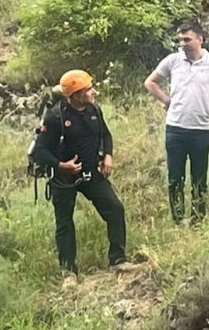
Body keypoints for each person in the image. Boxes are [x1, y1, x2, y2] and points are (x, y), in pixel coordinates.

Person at [33, 69, 139, 286]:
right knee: (65, 222)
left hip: (91, 173)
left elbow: (106, 135)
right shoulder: (55, 117)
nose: (94, 92)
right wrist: (61, 165)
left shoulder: (94, 109)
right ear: (75, 95)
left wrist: (108, 155)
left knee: (115, 209)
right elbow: (39, 151)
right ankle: (69, 272)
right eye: (89, 89)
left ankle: (118, 261)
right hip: (63, 178)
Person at [144, 21, 209, 224]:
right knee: (175, 176)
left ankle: (198, 218)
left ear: (200, 40)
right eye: (180, 40)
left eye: (187, 39)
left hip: (200, 129)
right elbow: (150, 82)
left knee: (199, 177)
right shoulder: (173, 60)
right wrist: (166, 101)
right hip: (175, 128)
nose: (183, 43)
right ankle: (178, 217)